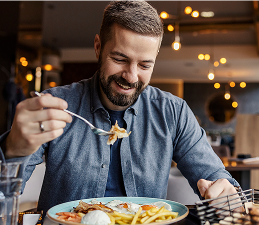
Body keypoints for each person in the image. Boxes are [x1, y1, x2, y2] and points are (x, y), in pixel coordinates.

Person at [0, 0, 239, 213]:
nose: (132, 77)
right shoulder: (56, 106)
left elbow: (217, 182)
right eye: (120, 59)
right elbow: (3, 199)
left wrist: (223, 194)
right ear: (98, 47)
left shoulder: (173, 113)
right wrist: (12, 150)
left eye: (145, 65)